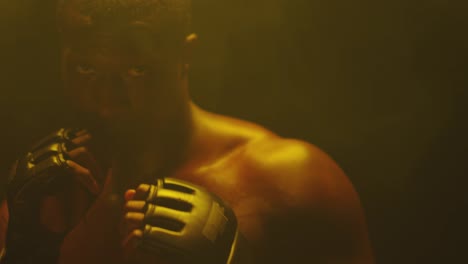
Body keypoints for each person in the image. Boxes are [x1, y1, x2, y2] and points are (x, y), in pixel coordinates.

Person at [0, 0, 374, 263]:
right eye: (86, 69)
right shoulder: (44, 196)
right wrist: (26, 255)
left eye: (137, 71)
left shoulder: (288, 182)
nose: (106, 99)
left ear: (185, 56)